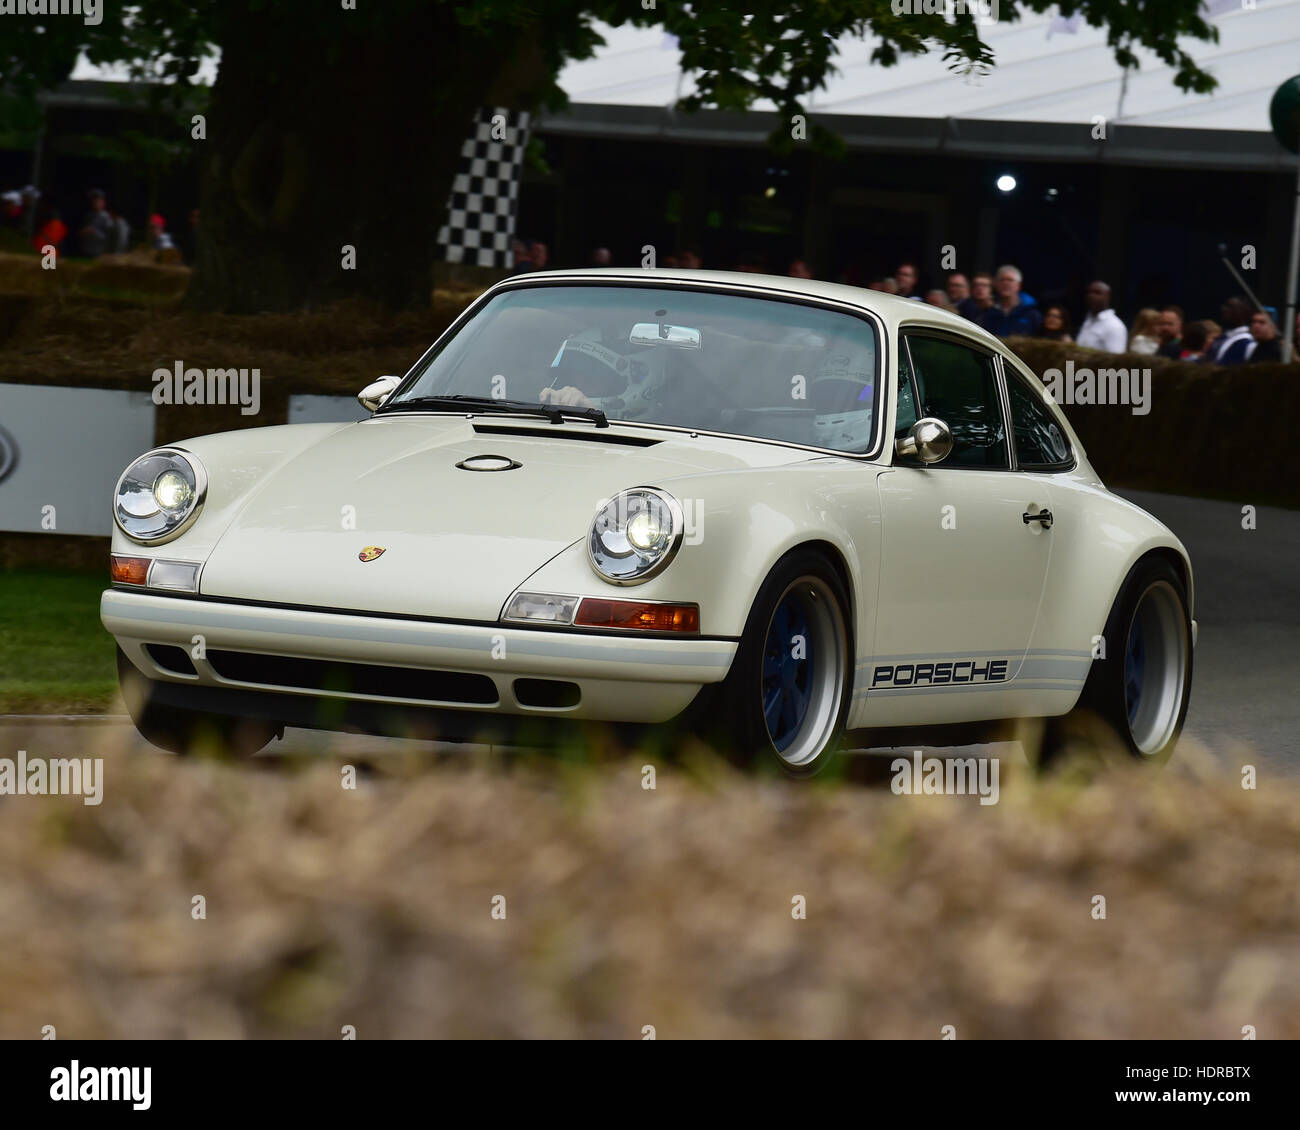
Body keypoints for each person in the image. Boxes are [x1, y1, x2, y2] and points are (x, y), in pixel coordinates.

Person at [979, 264, 1041, 338]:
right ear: (996, 284)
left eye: (1010, 280)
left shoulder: (1032, 314)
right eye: (1002, 280)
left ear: (1019, 285)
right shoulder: (987, 312)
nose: (1005, 283)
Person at [1075, 280, 1128, 352]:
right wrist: (1069, 363)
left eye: (1097, 292)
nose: (1091, 296)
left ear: (1108, 296)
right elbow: (1075, 356)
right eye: (1088, 292)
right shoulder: (1089, 320)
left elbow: (1115, 361)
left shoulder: (1114, 326)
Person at [1204, 296, 1253, 364]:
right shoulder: (1222, 337)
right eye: (1225, 306)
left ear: (1243, 312)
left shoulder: (1246, 342)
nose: (1223, 309)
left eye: (1230, 307)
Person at [79, 188, 114, 258]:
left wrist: (94, 232)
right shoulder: (89, 215)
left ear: (103, 202)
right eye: (93, 200)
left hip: (100, 252)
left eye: (97, 200)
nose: (94, 202)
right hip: (87, 251)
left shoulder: (106, 217)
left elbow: (110, 238)